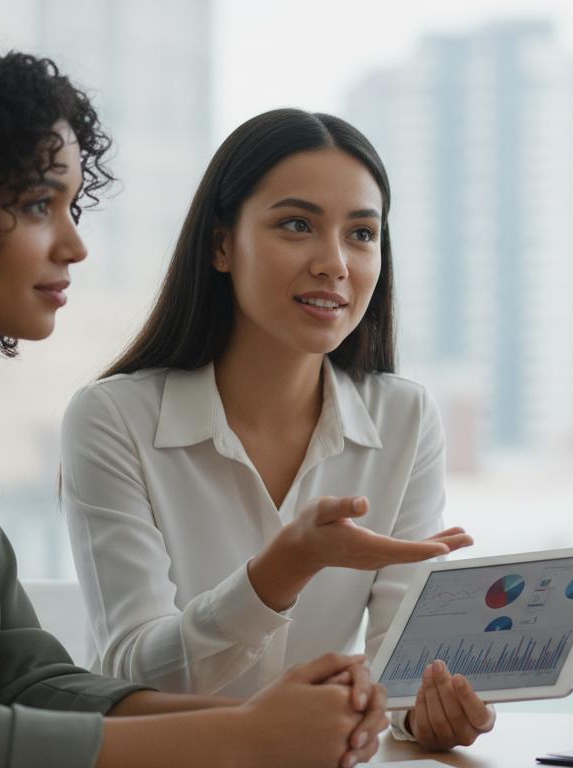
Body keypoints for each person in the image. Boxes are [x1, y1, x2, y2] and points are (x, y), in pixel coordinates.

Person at [0, 31, 384, 768]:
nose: (74, 245)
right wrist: (248, 737)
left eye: (71, 205)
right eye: (35, 205)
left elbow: (22, 673)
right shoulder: (100, 418)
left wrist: (272, 719)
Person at [60, 107, 494, 750]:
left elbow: (399, 670)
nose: (334, 263)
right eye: (297, 225)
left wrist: (426, 711)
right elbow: (130, 673)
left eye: (362, 234)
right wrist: (282, 570)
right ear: (221, 244)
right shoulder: (112, 418)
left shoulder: (404, 418)